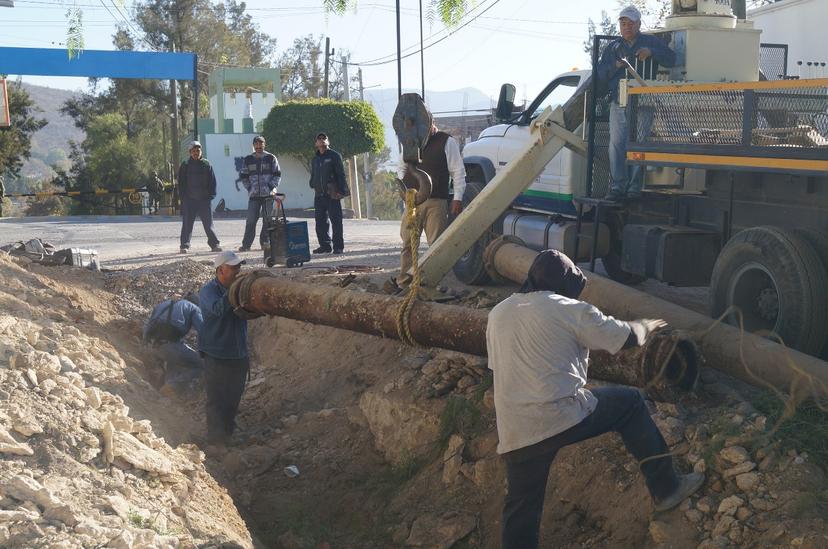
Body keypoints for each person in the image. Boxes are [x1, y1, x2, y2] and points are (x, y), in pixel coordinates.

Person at [486, 250, 704, 549]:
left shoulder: (499, 312)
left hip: (515, 428)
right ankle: (667, 489)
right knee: (630, 404)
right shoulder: (568, 309)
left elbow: (501, 368)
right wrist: (648, 327)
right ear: (567, 286)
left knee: (521, 510)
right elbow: (623, 338)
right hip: (560, 415)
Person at [598, 5, 676, 201]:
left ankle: (633, 189)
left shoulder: (651, 42)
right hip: (619, 102)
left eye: (631, 23)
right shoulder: (613, 48)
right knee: (616, 145)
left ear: (639, 24)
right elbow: (600, 74)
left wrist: (651, 52)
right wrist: (615, 65)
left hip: (644, 102)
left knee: (639, 145)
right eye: (623, 23)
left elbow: (672, 59)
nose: (627, 27)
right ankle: (617, 187)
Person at [395, 121, 466, 287]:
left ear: (432, 124)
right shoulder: (410, 142)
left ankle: (431, 283)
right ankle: (405, 282)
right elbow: (401, 167)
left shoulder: (446, 142)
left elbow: (458, 171)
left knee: (436, 245)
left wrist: (458, 197)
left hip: (436, 202)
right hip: (412, 201)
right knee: (407, 243)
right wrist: (405, 189)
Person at [198, 250, 249, 445]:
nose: (238, 271)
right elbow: (218, 309)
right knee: (217, 398)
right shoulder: (208, 291)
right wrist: (234, 290)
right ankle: (215, 440)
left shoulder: (236, 289)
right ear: (220, 270)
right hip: (216, 353)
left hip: (238, 353)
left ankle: (228, 433)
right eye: (233, 268)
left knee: (233, 396)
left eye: (239, 267)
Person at [143, 293, 204, 395]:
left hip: (153, 346)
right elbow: (204, 331)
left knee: (174, 361)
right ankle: (173, 386)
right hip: (170, 345)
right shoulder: (193, 308)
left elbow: (147, 326)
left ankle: (166, 390)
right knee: (200, 364)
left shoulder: (164, 304)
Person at [237, 135, 281, 252]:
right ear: (253, 145)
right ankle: (246, 245)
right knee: (251, 220)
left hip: (268, 195)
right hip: (254, 196)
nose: (258, 146)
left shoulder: (271, 158)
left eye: (260, 144)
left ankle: (265, 242)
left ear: (264, 145)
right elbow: (243, 176)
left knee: (267, 220)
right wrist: (250, 188)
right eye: (256, 144)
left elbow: (277, 175)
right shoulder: (248, 159)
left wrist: (271, 187)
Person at [178, 141, 222, 253]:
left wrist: (211, 196)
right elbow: (181, 183)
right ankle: (184, 245)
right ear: (190, 152)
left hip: (204, 200)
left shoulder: (207, 164)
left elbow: (213, 181)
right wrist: (183, 198)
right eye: (193, 151)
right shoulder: (185, 165)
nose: (196, 153)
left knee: (208, 224)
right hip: (190, 200)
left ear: (201, 151)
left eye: (198, 150)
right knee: (187, 224)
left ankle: (214, 245)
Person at [309, 132, 349, 254]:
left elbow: (341, 174)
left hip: (332, 194)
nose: (321, 140)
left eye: (324, 138)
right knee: (320, 222)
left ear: (328, 141)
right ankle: (325, 246)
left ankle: (338, 247)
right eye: (319, 139)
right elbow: (314, 174)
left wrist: (341, 191)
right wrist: (312, 183)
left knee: (336, 221)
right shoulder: (315, 159)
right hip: (319, 195)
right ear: (316, 143)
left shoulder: (334, 156)